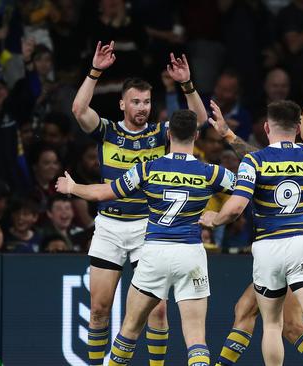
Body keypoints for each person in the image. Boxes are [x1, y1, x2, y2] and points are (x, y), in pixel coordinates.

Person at [56, 109, 235, 366]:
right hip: (191, 255)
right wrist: (218, 218)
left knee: (129, 328)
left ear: (169, 134)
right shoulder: (212, 173)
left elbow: (104, 193)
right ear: (196, 135)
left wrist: (73, 187)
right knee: (196, 336)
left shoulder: (146, 169)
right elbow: (245, 191)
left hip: (154, 254)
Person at [70, 40, 207, 365]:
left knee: (158, 312)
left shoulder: (161, 134)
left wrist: (186, 84)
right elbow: (78, 110)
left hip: (148, 229)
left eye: (146, 101)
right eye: (135, 102)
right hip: (109, 228)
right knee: (100, 309)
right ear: (122, 105)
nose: (142, 107)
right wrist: (95, 72)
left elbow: (199, 121)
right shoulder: (107, 132)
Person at [200, 100, 303, 366]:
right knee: (279, 318)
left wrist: (230, 137)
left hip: (273, 241)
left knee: (276, 324)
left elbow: (270, 160)